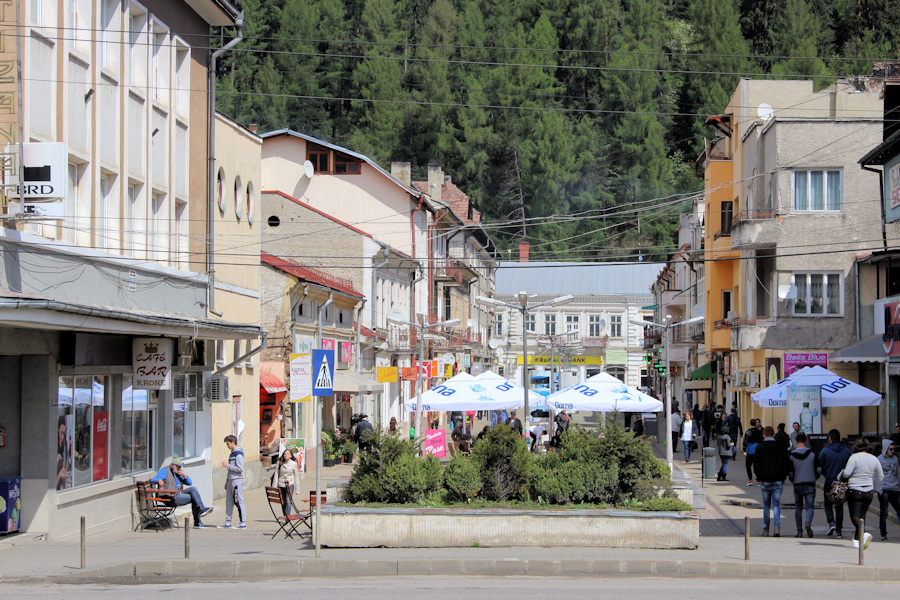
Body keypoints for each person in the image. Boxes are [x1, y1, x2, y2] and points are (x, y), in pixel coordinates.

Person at [841, 437, 883, 549]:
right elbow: (881, 476)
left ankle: (864, 533)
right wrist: (874, 486)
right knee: (862, 516)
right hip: (868, 491)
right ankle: (857, 540)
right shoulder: (874, 459)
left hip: (855, 490)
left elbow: (846, 474)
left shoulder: (854, 457)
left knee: (854, 515)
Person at [149, 457, 214, 528]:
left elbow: (190, 483)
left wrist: (184, 476)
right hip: (170, 496)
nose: (179, 468)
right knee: (194, 498)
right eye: (178, 466)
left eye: (180, 467)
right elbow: (153, 479)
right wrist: (158, 480)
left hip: (178, 494)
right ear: (173, 465)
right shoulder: (165, 470)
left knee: (193, 489)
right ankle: (198, 520)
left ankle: (201, 511)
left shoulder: (177, 473)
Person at [754, 425, 791, 537]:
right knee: (776, 504)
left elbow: (756, 465)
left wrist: (759, 476)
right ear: (773, 434)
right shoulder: (780, 447)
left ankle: (765, 529)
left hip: (765, 480)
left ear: (764, 435)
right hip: (778, 480)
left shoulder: (760, 447)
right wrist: (783, 476)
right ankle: (777, 528)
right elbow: (786, 463)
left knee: (766, 505)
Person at [820, 429, 852, 538]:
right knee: (839, 506)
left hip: (829, 481)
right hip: (841, 483)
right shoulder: (846, 451)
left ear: (830, 438)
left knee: (827, 503)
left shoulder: (825, 451)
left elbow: (821, 465)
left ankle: (831, 523)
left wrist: (825, 473)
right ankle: (839, 531)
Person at [788, 432, 820, 538]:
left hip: (797, 484)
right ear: (806, 442)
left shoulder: (792, 456)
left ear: (796, 442)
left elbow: (791, 472)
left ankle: (799, 531)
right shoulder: (812, 454)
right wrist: (815, 477)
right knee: (810, 506)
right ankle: (808, 522)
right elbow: (819, 469)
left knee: (798, 508)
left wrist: (792, 479)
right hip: (810, 483)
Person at [220, 435, 246, 529]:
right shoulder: (232, 453)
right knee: (229, 501)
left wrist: (228, 466)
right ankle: (228, 522)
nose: (227, 446)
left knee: (239, 501)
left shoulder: (238, 453)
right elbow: (230, 471)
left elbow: (240, 468)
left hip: (237, 481)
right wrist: (227, 481)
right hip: (231, 480)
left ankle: (242, 522)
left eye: (228, 444)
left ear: (233, 442)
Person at [877, 439, 900, 541]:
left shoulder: (895, 459)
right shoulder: (879, 460)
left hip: (895, 488)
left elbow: (898, 473)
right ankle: (883, 534)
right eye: (890, 449)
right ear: (885, 449)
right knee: (884, 512)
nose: (892, 451)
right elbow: (876, 475)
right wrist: (879, 489)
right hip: (884, 489)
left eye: (893, 449)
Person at [273, 448, 300, 517]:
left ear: (291, 455)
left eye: (288, 454)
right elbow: (276, 474)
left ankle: (287, 517)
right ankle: (284, 515)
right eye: (285, 454)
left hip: (290, 484)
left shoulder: (293, 464)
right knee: (283, 501)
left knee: (288, 501)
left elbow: (296, 476)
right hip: (281, 484)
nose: (286, 455)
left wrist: (297, 489)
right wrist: (274, 486)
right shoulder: (280, 463)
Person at [743, 419, 763, 486]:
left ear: (750, 424)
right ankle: (758, 480)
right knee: (757, 466)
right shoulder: (759, 432)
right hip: (757, 451)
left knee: (748, 466)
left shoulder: (748, 432)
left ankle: (750, 480)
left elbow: (745, 442)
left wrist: (744, 450)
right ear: (755, 424)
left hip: (750, 450)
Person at [56, 417, 70, 491]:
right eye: (61, 433)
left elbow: (65, 469)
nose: (62, 438)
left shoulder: (64, 448)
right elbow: (49, 489)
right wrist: (59, 475)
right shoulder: (54, 454)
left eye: (64, 434)